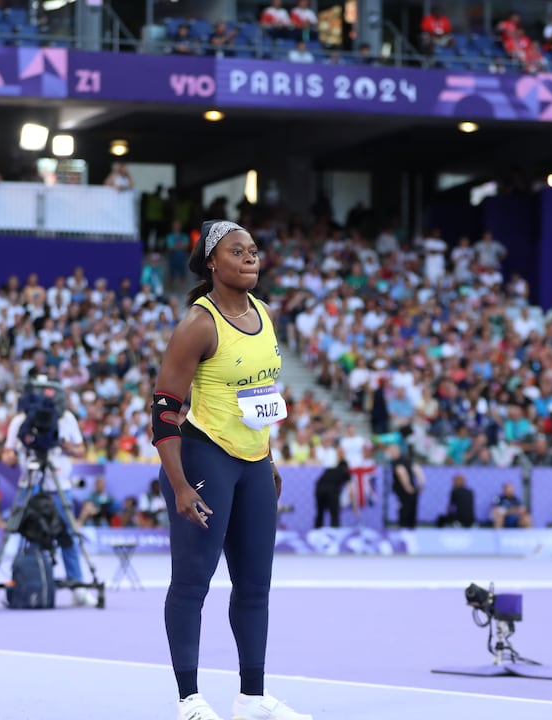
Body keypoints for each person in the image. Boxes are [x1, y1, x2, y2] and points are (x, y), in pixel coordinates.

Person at [151, 220, 311, 720]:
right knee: (193, 581)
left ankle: (252, 696)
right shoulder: (198, 324)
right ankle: (190, 699)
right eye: (237, 251)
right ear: (212, 263)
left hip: (253, 464)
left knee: (255, 585)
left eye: (254, 250)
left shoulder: (264, 314)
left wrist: (268, 457)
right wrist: (178, 484)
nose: (250, 258)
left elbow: (259, 399)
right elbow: (163, 409)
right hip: (203, 459)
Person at [2, 381, 96, 606]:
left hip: (59, 483)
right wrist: (11, 458)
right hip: (30, 482)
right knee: (22, 531)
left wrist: (68, 449)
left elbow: (81, 448)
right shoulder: (20, 420)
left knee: (68, 535)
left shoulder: (67, 418)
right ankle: (22, 580)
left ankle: (77, 586)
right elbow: (7, 452)